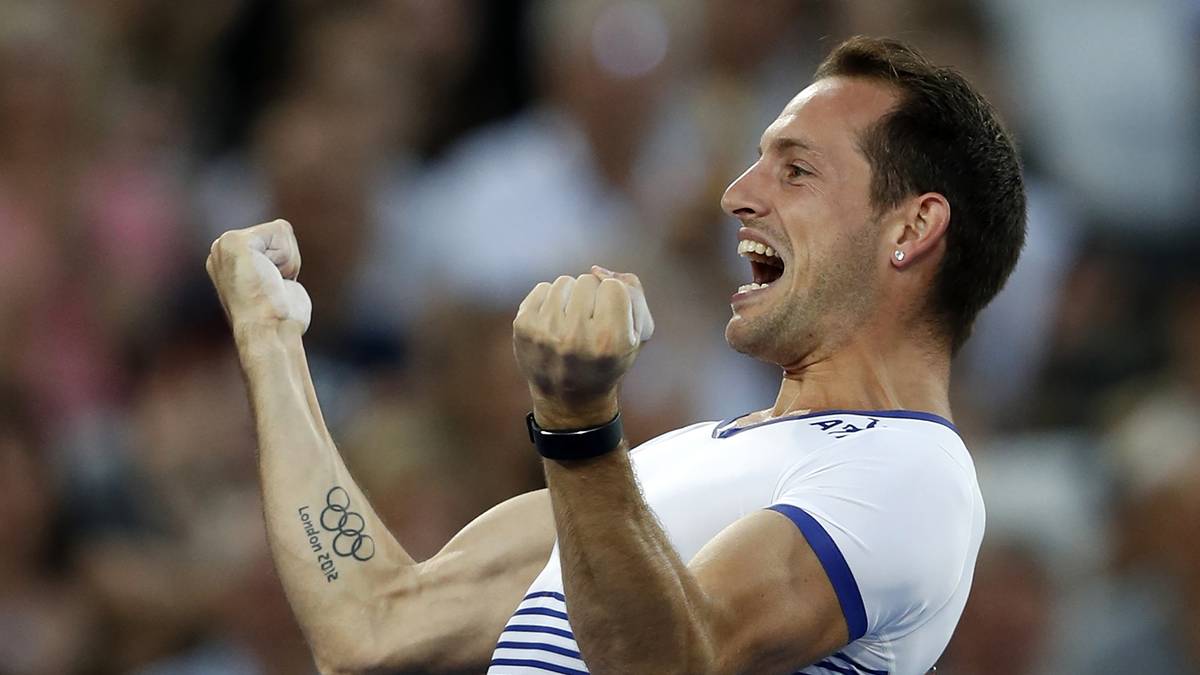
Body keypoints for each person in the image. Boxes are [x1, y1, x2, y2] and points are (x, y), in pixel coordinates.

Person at [205, 37, 1026, 675]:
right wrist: (270, 338)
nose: (738, 192)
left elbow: (669, 662)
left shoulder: (915, 470)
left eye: (797, 169)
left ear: (912, 229)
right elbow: (375, 627)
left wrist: (576, 423)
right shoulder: (660, 473)